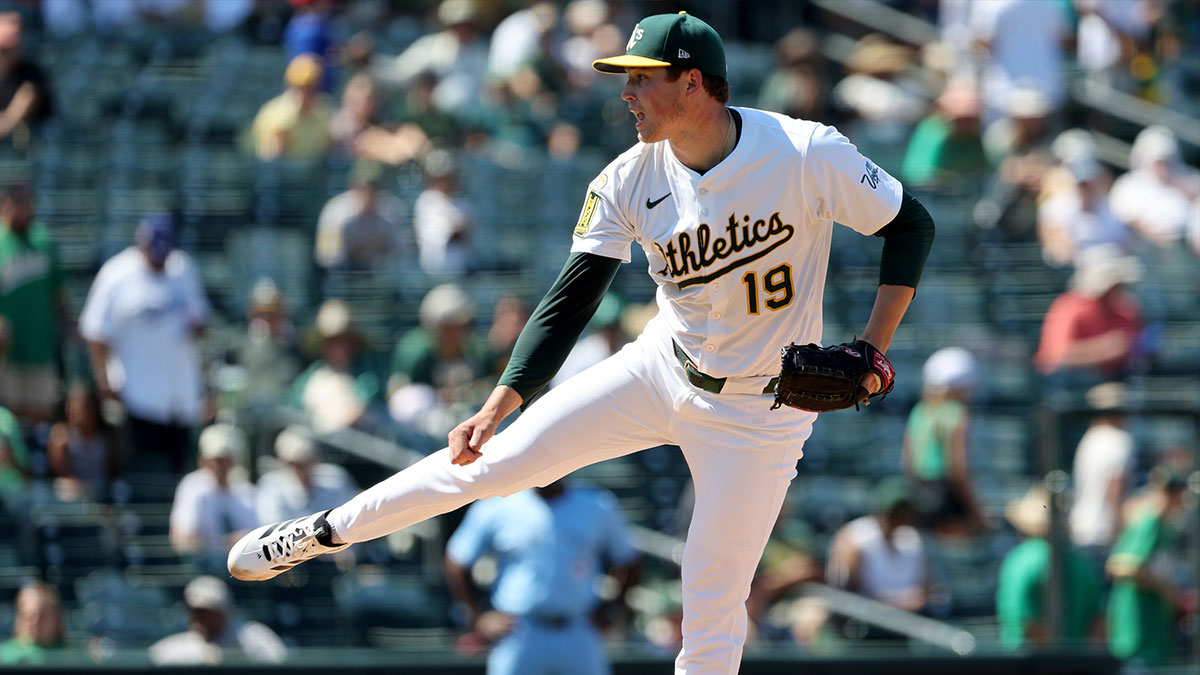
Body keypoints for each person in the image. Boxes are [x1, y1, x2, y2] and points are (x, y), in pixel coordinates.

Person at [230, 13, 935, 673]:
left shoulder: (804, 151)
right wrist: (503, 397)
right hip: (664, 368)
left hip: (761, 412)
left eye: (641, 77)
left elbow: (912, 226)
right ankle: (323, 531)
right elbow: (571, 299)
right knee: (489, 463)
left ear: (693, 82)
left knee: (713, 609)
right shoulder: (629, 177)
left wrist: (873, 348)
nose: (626, 92)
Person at [444, 479, 640, 675]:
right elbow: (457, 560)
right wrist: (477, 618)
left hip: (578, 628)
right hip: (519, 631)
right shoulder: (499, 504)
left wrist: (613, 611)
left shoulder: (596, 504)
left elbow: (628, 559)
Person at [79, 213, 210, 475]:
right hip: (137, 395)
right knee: (143, 474)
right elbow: (95, 333)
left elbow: (201, 321)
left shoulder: (182, 268)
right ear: (141, 242)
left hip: (180, 396)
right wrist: (104, 382)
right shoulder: (117, 274)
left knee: (178, 472)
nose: (160, 257)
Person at [996, 483, 1103, 649]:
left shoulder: (1020, 560)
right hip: (1078, 664)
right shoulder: (1081, 563)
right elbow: (1098, 625)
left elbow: (1028, 625)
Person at [1106, 468, 1190, 665]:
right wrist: (1164, 588)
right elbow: (1119, 565)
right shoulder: (1148, 522)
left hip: (1153, 636)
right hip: (1137, 633)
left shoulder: (1161, 526)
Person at [0, 182, 67, 426]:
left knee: (42, 414)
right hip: (6, 354)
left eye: (25, 204)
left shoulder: (44, 241)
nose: (21, 210)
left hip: (40, 348)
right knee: (10, 415)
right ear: (4, 206)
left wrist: (67, 324)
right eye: (15, 204)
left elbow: (58, 293)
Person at [902, 347, 986, 536]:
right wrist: (975, 511)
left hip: (920, 492)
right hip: (947, 499)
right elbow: (957, 468)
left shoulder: (919, 411)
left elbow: (907, 462)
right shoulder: (957, 414)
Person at [1033, 245, 1144, 380]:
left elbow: (1137, 350)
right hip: (1070, 383)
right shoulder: (1071, 308)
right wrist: (1105, 349)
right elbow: (1056, 356)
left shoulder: (1127, 309)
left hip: (1116, 379)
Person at [826, 479, 929, 614]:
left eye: (906, 513)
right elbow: (845, 592)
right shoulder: (854, 537)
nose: (902, 518)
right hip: (866, 619)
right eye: (897, 513)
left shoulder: (912, 538)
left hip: (910, 618)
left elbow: (924, 588)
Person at [169, 424, 258, 570]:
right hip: (204, 571)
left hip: (245, 574)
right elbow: (182, 541)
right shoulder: (192, 487)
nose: (220, 466)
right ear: (202, 459)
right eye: (215, 459)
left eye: (226, 459)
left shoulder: (247, 492)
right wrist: (225, 543)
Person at [148, 575, 286, 665]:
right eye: (195, 612)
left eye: (206, 612)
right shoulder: (173, 648)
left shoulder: (254, 638)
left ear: (223, 612)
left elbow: (280, 663)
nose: (199, 618)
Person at [290, 299, 382, 434]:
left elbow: (362, 406)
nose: (339, 347)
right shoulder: (314, 372)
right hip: (315, 438)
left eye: (343, 340)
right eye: (332, 341)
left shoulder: (364, 374)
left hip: (356, 443)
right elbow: (294, 402)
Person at [1068, 382, 1134, 564]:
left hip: (1081, 530)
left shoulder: (1089, 439)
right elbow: (1115, 490)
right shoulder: (1118, 441)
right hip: (1104, 533)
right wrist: (1119, 537)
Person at [314, 160, 410, 270]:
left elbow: (403, 254)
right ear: (351, 186)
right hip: (342, 276)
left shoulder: (393, 209)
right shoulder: (335, 212)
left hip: (379, 275)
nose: (369, 192)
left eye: (375, 187)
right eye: (363, 187)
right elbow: (325, 257)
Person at [255, 426, 357, 525]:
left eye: (305, 460)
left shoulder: (336, 478)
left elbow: (349, 521)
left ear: (316, 457)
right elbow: (274, 531)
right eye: (293, 463)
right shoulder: (271, 485)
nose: (299, 468)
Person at [251, 52, 335, 162]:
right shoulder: (274, 114)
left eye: (309, 88)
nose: (304, 94)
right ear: (288, 86)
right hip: (283, 177)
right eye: (299, 87)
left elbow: (329, 152)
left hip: (315, 176)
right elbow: (269, 161)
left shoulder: (325, 112)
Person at [46, 382, 121, 503]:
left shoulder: (108, 436)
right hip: (73, 493)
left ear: (94, 410)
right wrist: (83, 489)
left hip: (102, 491)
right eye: (71, 406)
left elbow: (112, 471)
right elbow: (62, 473)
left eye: (80, 408)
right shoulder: (60, 436)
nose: (74, 412)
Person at [0, 13, 53, 144]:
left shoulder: (31, 73)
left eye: (12, 47)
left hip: (33, 148)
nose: (7, 53)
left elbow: (11, 120)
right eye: (3, 48)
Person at [0, 581, 64, 664]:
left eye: (42, 615)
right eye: (28, 615)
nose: (35, 622)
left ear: (56, 617)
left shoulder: (73, 657)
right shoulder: (3, 656)